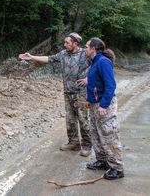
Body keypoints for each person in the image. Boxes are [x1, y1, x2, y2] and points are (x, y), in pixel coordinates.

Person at [19, 33, 92, 157]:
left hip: (82, 93)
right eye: (64, 42)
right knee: (70, 119)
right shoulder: (63, 54)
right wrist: (31, 57)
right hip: (68, 92)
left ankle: (87, 145)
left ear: (75, 44)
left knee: (83, 119)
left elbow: (99, 65)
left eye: (67, 43)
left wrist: (90, 79)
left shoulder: (85, 54)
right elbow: (48, 59)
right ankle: (73, 143)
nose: (65, 45)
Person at [84, 37, 124, 180]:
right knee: (96, 134)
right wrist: (89, 100)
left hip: (104, 105)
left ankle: (117, 168)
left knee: (109, 135)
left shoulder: (103, 62)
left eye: (86, 47)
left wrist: (103, 105)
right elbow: (95, 83)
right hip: (95, 104)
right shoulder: (94, 62)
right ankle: (102, 160)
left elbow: (110, 86)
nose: (85, 49)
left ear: (93, 49)